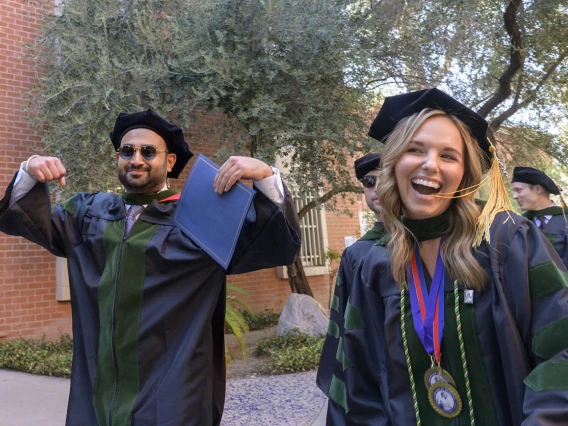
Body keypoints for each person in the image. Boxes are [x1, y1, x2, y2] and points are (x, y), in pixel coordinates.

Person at [0, 109, 301, 426]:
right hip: (98, 394)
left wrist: (267, 175)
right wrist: (29, 172)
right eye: (127, 151)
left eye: (148, 151)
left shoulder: (201, 218)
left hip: (171, 398)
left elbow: (278, 246)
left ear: (169, 162)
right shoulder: (88, 213)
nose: (136, 159)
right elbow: (24, 219)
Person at [322, 88, 568, 425]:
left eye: (448, 156)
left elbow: (560, 349)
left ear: (465, 173)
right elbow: (357, 389)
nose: (430, 164)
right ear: (393, 163)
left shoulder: (505, 239)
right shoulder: (372, 262)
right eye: (415, 150)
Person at [317, 152, 386, 396]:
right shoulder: (356, 255)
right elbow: (343, 331)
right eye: (369, 181)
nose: (376, 187)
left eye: (387, 177)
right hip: (373, 384)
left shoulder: (429, 243)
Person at [511, 166, 568, 269]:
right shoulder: (520, 223)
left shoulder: (565, 219)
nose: (514, 196)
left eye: (518, 190)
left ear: (537, 189)